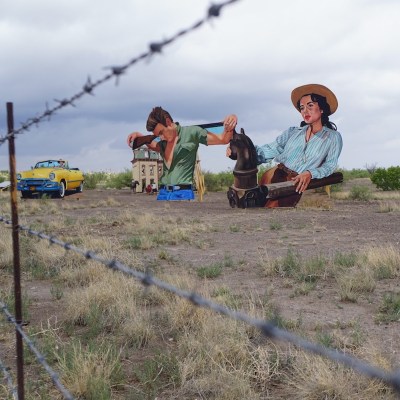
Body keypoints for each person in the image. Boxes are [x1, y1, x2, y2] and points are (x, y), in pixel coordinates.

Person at [227, 83, 343, 208]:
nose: (305, 111)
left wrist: (310, 173)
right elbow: (271, 149)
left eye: (310, 106)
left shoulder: (333, 137)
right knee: (255, 206)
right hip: (273, 174)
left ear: (321, 109)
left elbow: (330, 165)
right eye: (302, 107)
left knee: (273, 210)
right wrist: (242, 151)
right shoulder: (292, 132)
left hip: (295, 181)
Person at [127, 106, 237, 201]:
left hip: (183, 194)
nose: (161, 137)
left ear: (168, 122)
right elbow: (152, 144)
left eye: (161, 132)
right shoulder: (162, 143)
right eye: (158, 135)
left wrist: (232, 120)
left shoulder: (192, 132)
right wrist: (139, 135)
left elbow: (222, 139)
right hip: (163, 194)